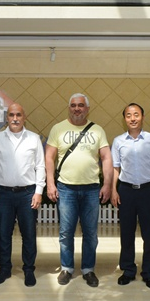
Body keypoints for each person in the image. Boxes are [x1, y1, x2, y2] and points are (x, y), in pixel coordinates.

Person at [45, 93, 113, 287]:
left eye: (81, 105)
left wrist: (107, 184)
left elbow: (106, 158)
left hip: (91, 189)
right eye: (73, 105)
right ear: (69, 108)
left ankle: (88, 269)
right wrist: (50, 183)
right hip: (66, 189)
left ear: (87, 109)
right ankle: (66, 268)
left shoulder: (97, 130)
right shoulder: (58, 129)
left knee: (90, 233)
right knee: (66, 232)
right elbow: (49, 157)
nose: (77, 108)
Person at [0, 103, 45, 287]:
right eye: (11, 115)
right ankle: (5, 268)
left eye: (18, 115)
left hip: (28, 194)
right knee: (4, 233)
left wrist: (39, 192)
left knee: (29, 234)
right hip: (3, 194)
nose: (15, 118)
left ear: (24, 117)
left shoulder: (34, 138)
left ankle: (29, 269)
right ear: (7, 118)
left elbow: (40, 166)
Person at [110, 103, 150, 289]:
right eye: (129, 115)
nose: (133, 118)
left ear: (142, 117)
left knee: (149, 234)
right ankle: (128, 270)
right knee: (126, 233)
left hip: (148, 191)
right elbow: (115, 168)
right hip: (126, 191)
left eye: (136, 114)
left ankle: (149, 272)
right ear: (124, 119)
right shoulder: (118, 141)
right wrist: (113, 190)